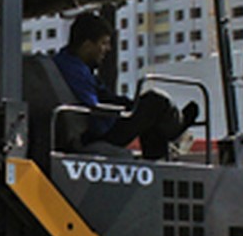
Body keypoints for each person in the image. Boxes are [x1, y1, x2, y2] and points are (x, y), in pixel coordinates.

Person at [53, 11, 198, 160]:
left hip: (97, 125)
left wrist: (132, 107)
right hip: (97, 132)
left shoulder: (66, 62)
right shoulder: (76, 72)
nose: (107, 49)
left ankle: (160, 151)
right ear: (87, 45)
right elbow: (94, 106)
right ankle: (176, 132)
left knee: (146, 112)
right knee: (156, 101)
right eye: (103, 43)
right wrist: (126, 111)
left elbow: (104, 96)